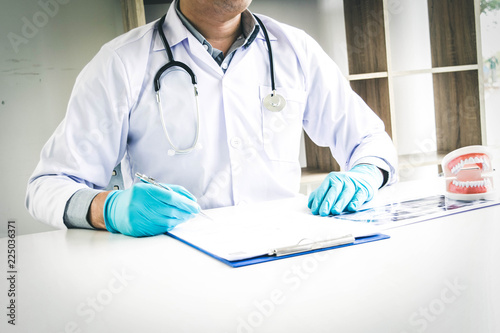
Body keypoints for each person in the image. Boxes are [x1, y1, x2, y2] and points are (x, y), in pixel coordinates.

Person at [25, 0, 398, 237]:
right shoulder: (122, 62)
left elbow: (370, 141)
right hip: (172, 269)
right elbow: (47, 186)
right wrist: (110, 209)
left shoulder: (294, 48)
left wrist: (365, 175)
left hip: (289, 255)